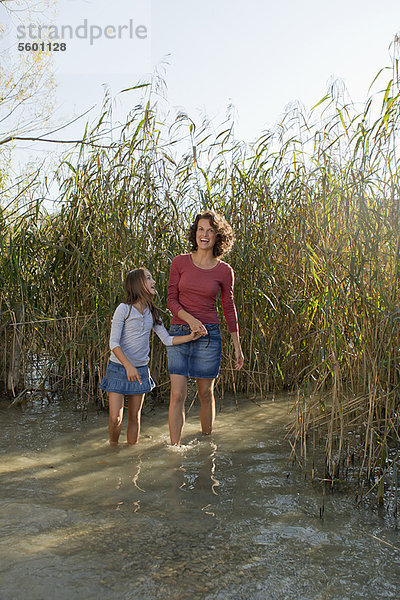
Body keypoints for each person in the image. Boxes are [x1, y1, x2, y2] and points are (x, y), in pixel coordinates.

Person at [167, 210, 244, 445]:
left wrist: (237, 347)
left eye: (210, 231)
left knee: (206, 394)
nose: (205, 234)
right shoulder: (179, 262)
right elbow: (171, 300)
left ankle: (206, 449)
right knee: (177, 394)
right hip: (180, 333)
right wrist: (189, 320)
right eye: (201, 229)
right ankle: (174, 450)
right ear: (195, 232)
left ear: (217, 237)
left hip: (208, 337)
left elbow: (229, 309)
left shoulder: (224, 271)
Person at [99, 268, 202, 445]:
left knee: (135, 417)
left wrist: (190, 337)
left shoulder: (152, 312)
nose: (153, 281)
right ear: (137, 284)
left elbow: (167, 339)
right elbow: (113, 344)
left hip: (140, 371)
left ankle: (132, 459)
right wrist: (128, 366)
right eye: (148, 278)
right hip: (118, 368)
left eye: (152, 278)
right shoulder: (123, 309)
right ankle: (113, 448)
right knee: (115, 418)